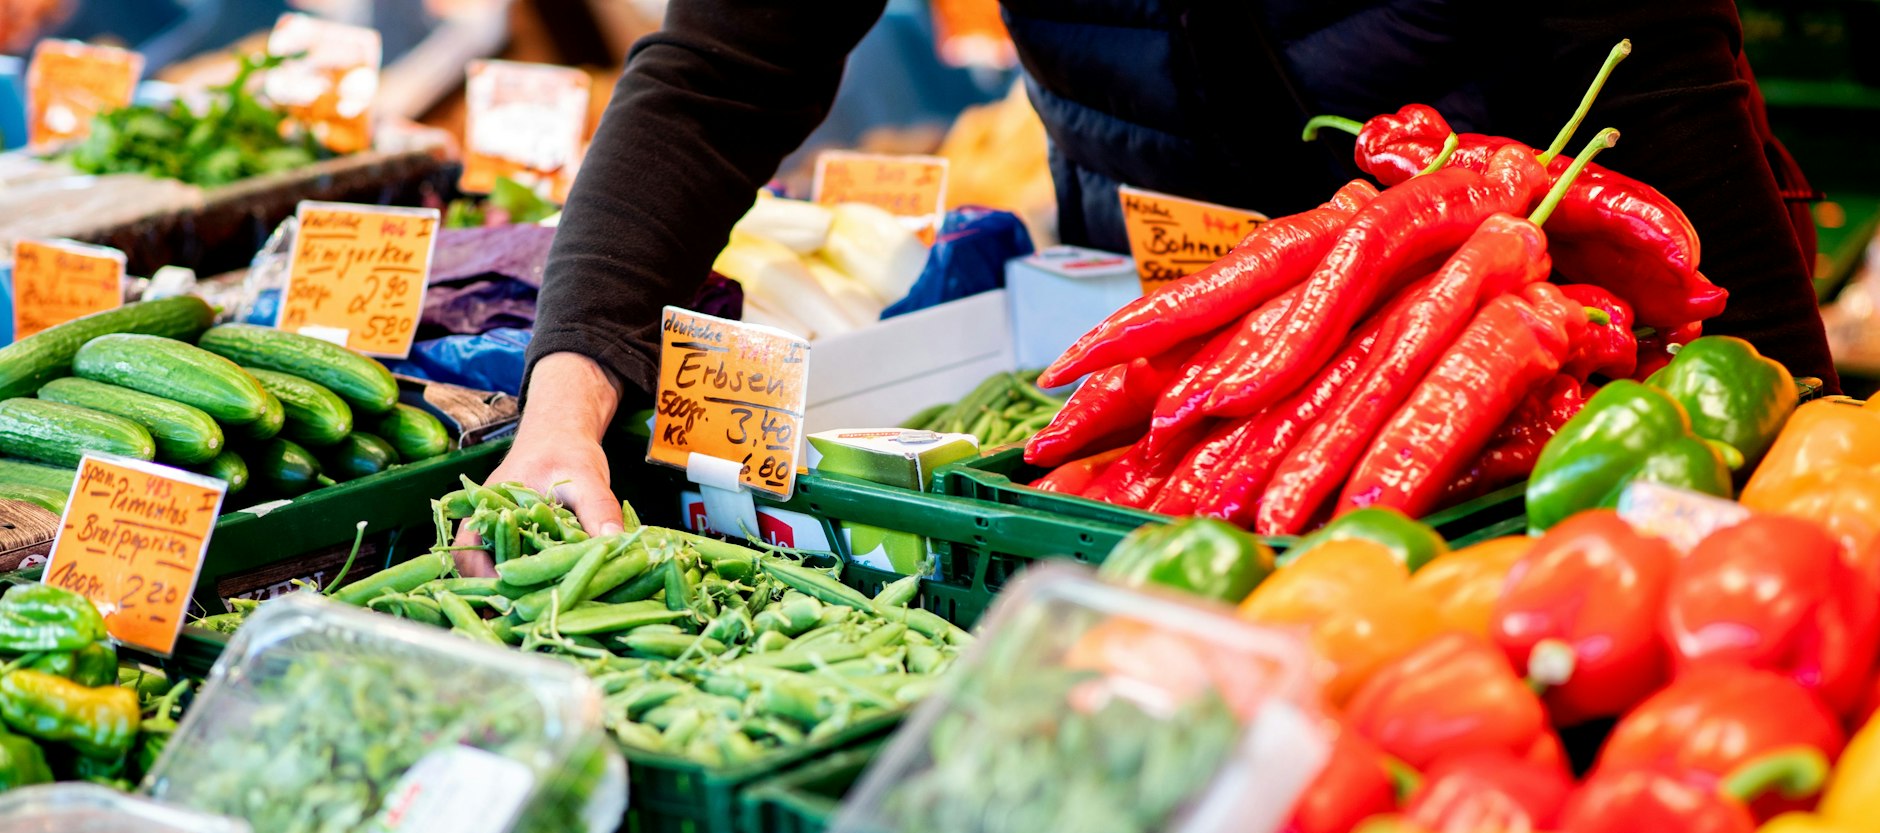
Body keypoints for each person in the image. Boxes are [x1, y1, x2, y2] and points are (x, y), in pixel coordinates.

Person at [471, 0, 1832, 544]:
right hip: (1160, 331)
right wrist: (561, 416)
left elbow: (1667, 98)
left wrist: (1796, 451)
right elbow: (719, 77)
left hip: (1515, 348)